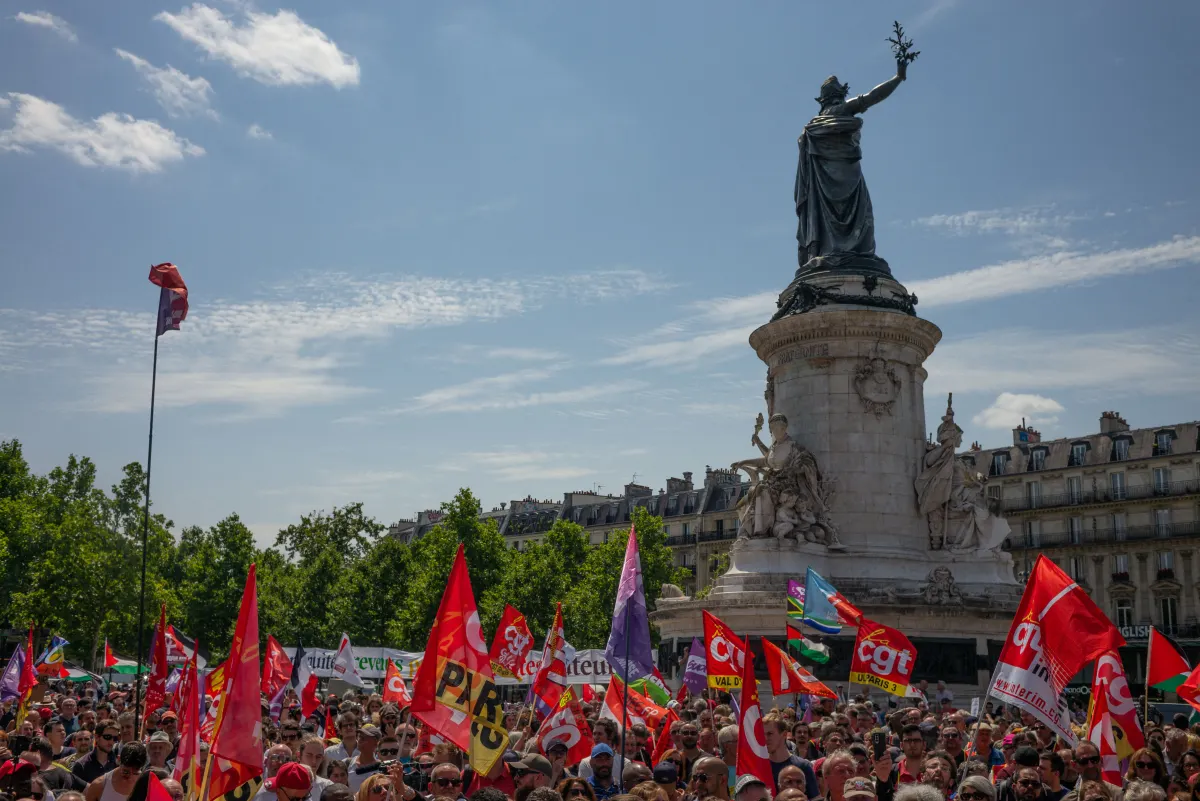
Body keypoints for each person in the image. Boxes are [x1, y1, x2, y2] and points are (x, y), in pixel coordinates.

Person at [762, 715, 819, 799]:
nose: (765, 738)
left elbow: (815, 799)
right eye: (763, 734)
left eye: (770, 734)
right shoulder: (761, 767)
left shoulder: (803, 766)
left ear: (784, 734)